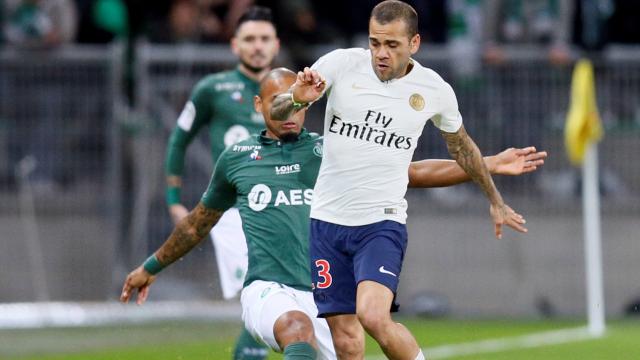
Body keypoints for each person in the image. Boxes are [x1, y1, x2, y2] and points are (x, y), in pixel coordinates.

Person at [122, 68, 546, 359]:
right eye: (278, 102)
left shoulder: (330, 151)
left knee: (351, 343)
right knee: (294, 329)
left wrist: (485, 163)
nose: (290, 111)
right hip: (269, 289)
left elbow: (410, 172)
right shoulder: (237, 159)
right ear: (258, 104)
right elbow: (198, 222)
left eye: (297, 101)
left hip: (327, 296)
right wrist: (151, 266)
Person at [270, 1, 529, 359]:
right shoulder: (340, 64)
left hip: (381, 222)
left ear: (415, 43)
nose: (381, 53)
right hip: (327, 223)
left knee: (373, 316)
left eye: (392, 45)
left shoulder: (433, 90)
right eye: (375, 42)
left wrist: (495, 200)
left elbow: (462, 148)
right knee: (345, 341)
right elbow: (277, 111)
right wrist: (297, 99)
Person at [163, 5, 279, 359]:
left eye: (264, 39)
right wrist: (173, 199)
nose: (257, 46)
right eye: (249, 39)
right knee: (259, 290)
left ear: (276, 44)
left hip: (282, 208)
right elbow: (179, 139)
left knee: (277, 294)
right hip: (233, 213)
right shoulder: (213, 88)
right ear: (234, 46)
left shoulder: (289, 90)